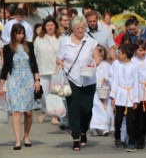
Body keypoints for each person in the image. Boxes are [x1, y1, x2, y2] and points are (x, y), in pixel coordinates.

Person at [56, 16, 100, 151]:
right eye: (77, 28)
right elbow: (59, 59)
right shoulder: (65, 42)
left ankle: (83, 130)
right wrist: (61, 64)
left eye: (82, 28)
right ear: (73, 29)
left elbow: (97, 59)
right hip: (72, 79)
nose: (80, 30)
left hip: (88, 80)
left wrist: (92, 64)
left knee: (87, 109)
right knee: (74, 108)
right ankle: (75, 137)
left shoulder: (91, 42)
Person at [0, 24, 40, 150]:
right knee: (16, 112)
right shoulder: (8, 48)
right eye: (18, 33)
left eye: (23, 33)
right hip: (14, 80)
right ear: (13, 34)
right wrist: (1, 87)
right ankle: (17, 140)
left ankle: (26, 135)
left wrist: (37, 80)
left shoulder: (29, 46)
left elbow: (34, 64)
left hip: (28, 80)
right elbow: (5, 67)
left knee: (28, 111)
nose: (21, 35)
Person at [109, 43, 139, 151]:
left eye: (120, 53)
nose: (118, 55)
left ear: (125, 55)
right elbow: (114, 81)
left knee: (130, 120)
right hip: (119, 95)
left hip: (130, 96)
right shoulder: (117, 64)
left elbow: (136, 83)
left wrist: (136, 100)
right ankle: (117, 139)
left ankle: (131, 141)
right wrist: (113, 97)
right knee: (118, 119)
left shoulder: (134, 66)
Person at [34, 16, 62, 124]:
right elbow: (34, 54)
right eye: (47, 25)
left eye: (52, 25)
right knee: (43, 94)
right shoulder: (39, 39)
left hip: (56, 70)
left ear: (55, 26)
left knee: (55, 93)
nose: (50, 27)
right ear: (44, 27)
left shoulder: (60, 38)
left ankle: (54, 115)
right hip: (42, 69)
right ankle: (43, 110)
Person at [89, 46, 114, 136]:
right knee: (97, 108)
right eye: (98, 56)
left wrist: (107, 78)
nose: (100, 58)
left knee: (106, 108)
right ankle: (95, 126)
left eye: (101, 56)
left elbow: (111, 74)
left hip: (105, 88)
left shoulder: (107, 65)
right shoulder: (92, 64)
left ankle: (105, 127)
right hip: (96, 89)